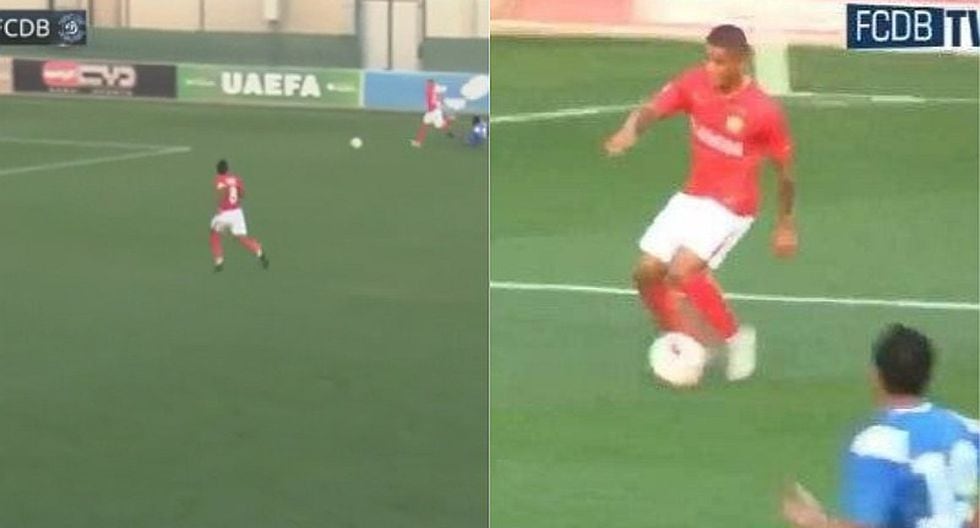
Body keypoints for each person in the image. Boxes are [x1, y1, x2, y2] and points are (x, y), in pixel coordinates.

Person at [603, 24, 797, 380]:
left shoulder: (763, 111)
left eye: (720, 62)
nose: (711, 68)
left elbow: (785, 172)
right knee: (645, 273)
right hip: (692, 195)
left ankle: (736, 338)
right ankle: (682, 340)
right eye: (708, 59)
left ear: (741, 60)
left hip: (733, 205)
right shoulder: (694, 84)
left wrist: (785, 224)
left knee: (683, 271)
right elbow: (652, 109)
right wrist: (630, 131)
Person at [782, 324, 979, 528]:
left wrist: (817, 522)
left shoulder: (877, 443)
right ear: (929, 375)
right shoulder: (970, 429)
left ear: (876, 375)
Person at [209, 159, 269, 272]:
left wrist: (220, 205)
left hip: (225, 213)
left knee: (214, 233)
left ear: (217, 170)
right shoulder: (236, 179)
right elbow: (242, 194)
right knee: (242, 238)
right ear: (227, 169)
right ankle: (258, 250)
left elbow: (222, 192)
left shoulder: (219, 179)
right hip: (237, 213)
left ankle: (219, 260)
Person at [412, 79, 454, 147]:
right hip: (429, 112)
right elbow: (442, 91)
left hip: (435, 112)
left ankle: (449, 123)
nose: (427, 85)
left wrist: (440, 96)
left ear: (432, 83)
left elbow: (442, 90)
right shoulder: (429, 89)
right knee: (424, 125)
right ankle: (418, 142)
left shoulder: (435, 88)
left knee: (440, 126)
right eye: (427, 84)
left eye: (428, 84)